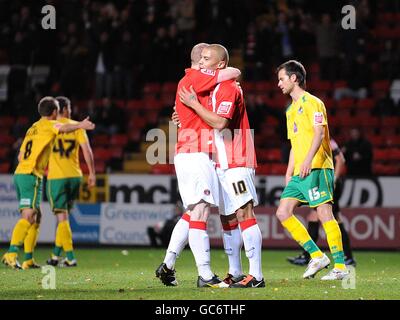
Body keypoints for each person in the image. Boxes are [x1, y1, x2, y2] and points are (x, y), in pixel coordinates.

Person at [155, 43, 241, 288]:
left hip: (192, 152)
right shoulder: (196, 77)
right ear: (200, 60)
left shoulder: (192, 82)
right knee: (201, 211)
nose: (205, 61)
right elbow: (232, 72)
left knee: (193, 212)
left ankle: (168, 264)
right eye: (204, 57)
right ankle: (205, 275)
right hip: (195, 152)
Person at [178, 44, 264, 288]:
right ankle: (235, 272)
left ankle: (256, 276)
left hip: (236, 157)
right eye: (201, 58)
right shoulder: (213, 87)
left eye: (207, 59)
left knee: (244, 213)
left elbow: (220, 124)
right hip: (222, 161)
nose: (202, 62)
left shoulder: (227, 88)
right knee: (228, 218)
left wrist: (194, 105)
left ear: (221, 65)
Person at [1, 96, 95, 269]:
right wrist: (80, 125)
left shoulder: (32, 128)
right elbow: (64, 127)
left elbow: (21, 155)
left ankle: (28, 259)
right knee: (29, 216)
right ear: (54, 112)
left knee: (36, 217)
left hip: (20, 173)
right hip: (31, 176)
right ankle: (11, 253)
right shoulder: (49, 125)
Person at [275, 60, 348, 280]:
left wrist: (307, 160)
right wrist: (290, 171)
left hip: (317, 166)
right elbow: (294, 144)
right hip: (300, 171)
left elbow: (318, 134)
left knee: (324, 213)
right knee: (283, 212)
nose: (279, 84)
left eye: (281, 79)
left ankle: (341, 268)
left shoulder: (313, 102)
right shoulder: (290, 110)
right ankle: (317, 255)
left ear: (294, 78)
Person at [287, 138, 356, 267]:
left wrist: (334, 179)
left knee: (322, 216)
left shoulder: (327, 140)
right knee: (325, 217)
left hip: (330, 181)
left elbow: (341, 160)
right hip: (325, 180)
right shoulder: (313, 140)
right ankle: (346, 257)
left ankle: (311, 256)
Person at [45, 96, 96, 268]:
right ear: (65, 109)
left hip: (57, 177)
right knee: (64, 218)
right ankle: (55, 255)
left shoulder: (50, 127)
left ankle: (71, 257)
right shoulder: (77, 126)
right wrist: (92, 173)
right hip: (75, 176)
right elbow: (87, 151)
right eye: (70, 108)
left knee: (62, 218)